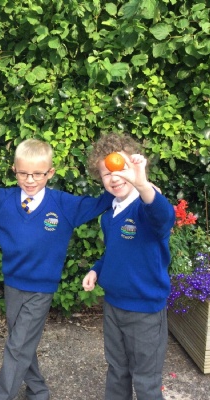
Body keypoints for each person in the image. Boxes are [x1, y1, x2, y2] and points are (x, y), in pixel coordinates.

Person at [0, 138, 114, 400]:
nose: (30, 180)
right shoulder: (3, 200)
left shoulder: (63, 205)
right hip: (13, 285)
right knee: (21, 342)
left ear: (50, 173)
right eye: (23, 173)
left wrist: (119, 175)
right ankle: (38, 390)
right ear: (14, 170)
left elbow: (102, 202)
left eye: (37, 174)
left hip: (41, 289)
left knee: (18, 345)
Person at [82, 133, 175, 400]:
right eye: (106, 173)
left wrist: (143, 184)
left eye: (121, 169)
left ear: (133, 170)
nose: (114, 177)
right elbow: (115, 253)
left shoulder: (145, 208)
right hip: (113, 306)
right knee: (117, 370)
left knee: (146, 381)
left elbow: (164, 217)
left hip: (145, 311)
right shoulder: (109, 215)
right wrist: (96, 269)